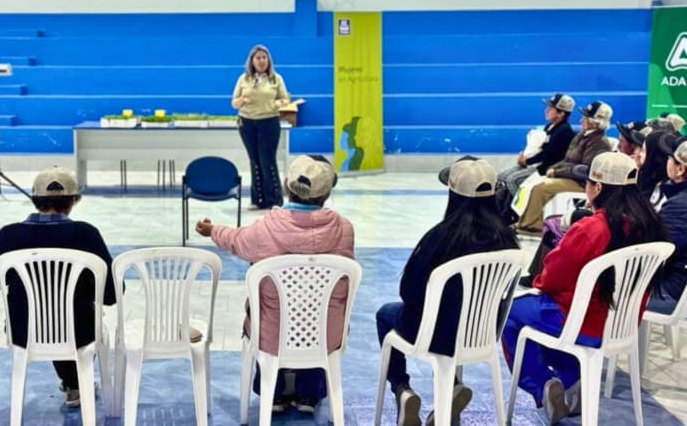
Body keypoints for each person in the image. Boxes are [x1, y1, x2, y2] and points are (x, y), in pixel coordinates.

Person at [502, 152, 667, 424]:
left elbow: (551, 277)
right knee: (537, 324)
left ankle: (543, 385)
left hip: (582, 323)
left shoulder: (591, 228)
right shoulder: (650, 226)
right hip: (623, 325)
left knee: (511, 313)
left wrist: (539, 283)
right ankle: (570, 380)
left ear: (598, 187)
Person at [195, 155, 354, 414]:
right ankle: (309, 394)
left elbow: (235, 240)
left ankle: (276, 392)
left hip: (273, 334)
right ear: (327, 193)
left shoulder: (266, 228)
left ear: (287, 186)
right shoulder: (344, 229)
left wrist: (213, 230)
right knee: (315, 311)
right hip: (325, 333)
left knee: (268, 314)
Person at [375, 157, 519, 426]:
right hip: (482, 332)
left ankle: (402, 390)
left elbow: (409, 292)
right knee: (449, 315)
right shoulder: (508, 240)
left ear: (453, 193)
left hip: (436, 334)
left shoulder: (440, 237)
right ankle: (451, 385)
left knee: (386, 314)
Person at [0, 167, 116, 408]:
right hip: (78, 330)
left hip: (24, 329)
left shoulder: (9, 235)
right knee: (72, 314)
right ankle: (76, 383)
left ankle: (72, 382)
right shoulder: (86, 234)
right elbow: (111, 294)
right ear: (74, 200)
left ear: (35, 199)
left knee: (45, 313)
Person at [514, 101, 613, 235]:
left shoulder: (599, 142)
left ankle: (531, 225)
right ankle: (523, 221)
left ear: (594, 122)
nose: (581, 119)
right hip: (568, 177)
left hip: (580, 182)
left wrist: (557, 172)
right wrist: (553, 168)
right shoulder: (581, 135)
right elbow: (566, 159)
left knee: (540, 188)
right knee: (533, 183)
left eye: (585, 117)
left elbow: (584, 169)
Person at [232, 44, 290, 210]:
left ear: (268, 60)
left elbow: (285, 99)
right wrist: (242, 99)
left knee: (267, 160)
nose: (261, 61)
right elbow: (234, 103)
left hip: (269, 122)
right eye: (258, 58)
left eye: (264, 57)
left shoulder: (276, 79)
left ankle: (274, 200)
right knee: (254, 161)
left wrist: (278, 103)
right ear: (252, 61)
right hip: (247, 123)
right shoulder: (244, 79)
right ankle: (257, 200)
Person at [498, 94, 576, 200]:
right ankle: (505, 211)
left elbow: (547, 154)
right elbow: (539, 148)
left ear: (561, 113)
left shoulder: (564, 131)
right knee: (502, 176)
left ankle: (524, 211)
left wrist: (527, 161)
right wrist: (525, 158)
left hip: (546, 168)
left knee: (513, 180)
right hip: (536, 164)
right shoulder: (549, 127)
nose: (546, 111)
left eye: (551, 108)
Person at [647, 135, 687, 314]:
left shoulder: (679, 205)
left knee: (605, 294)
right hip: (677, 284)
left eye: (671, 158)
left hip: (671, 291)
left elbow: (657, 252)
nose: (667, 161)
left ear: (681, 169)